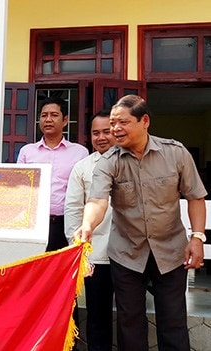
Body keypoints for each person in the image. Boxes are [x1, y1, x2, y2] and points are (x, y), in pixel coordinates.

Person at [76, 95, 207, 350]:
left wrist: (197, 237)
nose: (115, 129)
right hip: (127, 254)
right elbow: (98, 201)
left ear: (144, 121)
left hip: (170, 252)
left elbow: (195, 197)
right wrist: (88, 225)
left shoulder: (175, 153)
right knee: (130, 323)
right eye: (113, 123)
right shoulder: (108, 161)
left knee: (174, 321)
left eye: (122, 122)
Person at [65, 111, 115, 351]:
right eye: (96, 133)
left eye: (107, 131)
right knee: (97, 315)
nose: (101, 137)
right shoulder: (82, 167)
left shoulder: (132, 161)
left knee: (130, 315)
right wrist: (78, 249)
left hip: (131, 254)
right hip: (95, 254)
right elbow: (73, 209)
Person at [17, 96, 88, 251]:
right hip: (34, 224)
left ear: (65, 120)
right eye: (44, 115)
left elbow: (85, 191)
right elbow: (20, 189)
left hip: (67, 223)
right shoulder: (27, 152)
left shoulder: (80, 152)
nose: (48, 119)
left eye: (54, 115)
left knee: (62, 270)